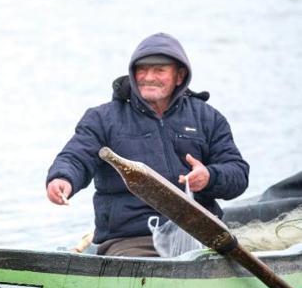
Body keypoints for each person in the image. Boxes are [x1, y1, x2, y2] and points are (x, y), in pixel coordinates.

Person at [46, 33, 249, 257]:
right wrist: (62, 179)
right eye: (142, 69)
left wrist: (209, 177)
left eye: (159, 70)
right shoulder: (102, 118)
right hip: (130, 239)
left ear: (179, 76)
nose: (148, 77)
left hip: (203, 236)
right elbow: (76, 157)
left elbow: (238, 174)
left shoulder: (208, 118)